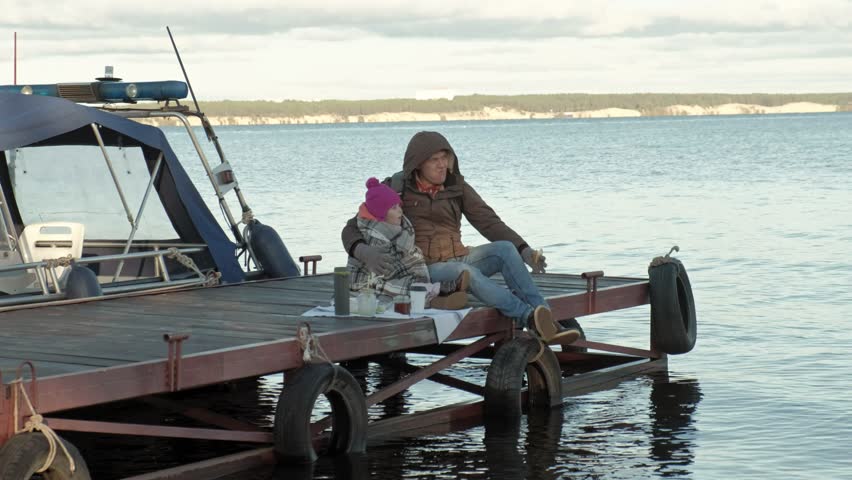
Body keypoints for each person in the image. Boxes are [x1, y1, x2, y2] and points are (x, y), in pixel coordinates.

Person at [342, 131, 579, 344]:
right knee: (464, 273)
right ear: (418, 163)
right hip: (423, 268)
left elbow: (488, 221)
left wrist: (524, 249)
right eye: (435, 160)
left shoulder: (457, 186)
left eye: (445, 158)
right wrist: (363, 251)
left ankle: (545, 317)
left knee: (505, 249)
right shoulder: (395, 187)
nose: (442, 165)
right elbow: (354, 226)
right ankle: (528, 317)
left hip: (459, 257)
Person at [347, 177, 469, 309]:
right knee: (404, 288)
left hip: (391, 276)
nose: (400, 211)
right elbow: (386, 271)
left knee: (413, 285)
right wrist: (410, 276)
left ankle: (443, 291)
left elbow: (403, 260)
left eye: (399, 206)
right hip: (366, 284)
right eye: (394, 208)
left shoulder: (397, 230)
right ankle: (438, 297)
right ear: (380, 215)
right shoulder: (375, 237)